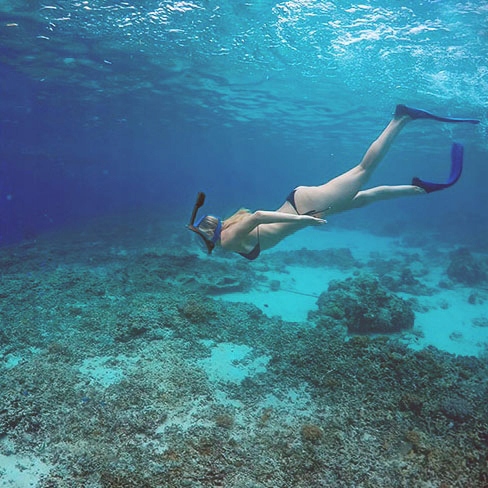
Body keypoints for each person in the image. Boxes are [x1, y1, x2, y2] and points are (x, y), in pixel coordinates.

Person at [187, 104, 479, 260]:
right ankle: (420, 188)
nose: (201, 245)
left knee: (364, 170)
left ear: (210, 235)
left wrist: (306, 222)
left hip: (307, 208)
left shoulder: (227, 240)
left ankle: (400, 119)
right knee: (365, 198)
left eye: (200, 239)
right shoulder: (228, 229)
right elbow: (258, 217)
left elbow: (261, 216)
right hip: (301, 203)